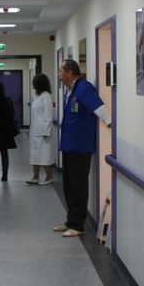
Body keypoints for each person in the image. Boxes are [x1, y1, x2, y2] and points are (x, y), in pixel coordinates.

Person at [54, 59, 111, 238]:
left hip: (80, 146)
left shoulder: (84, 88)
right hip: (69, 144)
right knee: (68, 185)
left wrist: (110, 123)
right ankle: (71, 221)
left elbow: (99, 107)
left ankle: (78, 225)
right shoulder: (71, 90)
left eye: (60, 71)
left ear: (69, 72)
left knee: (78, 186)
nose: (59, 75)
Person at [26, 73, 55, 185]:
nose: (33, 84)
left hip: (43, 131)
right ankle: (35, 177)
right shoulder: (37, 96)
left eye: (34, 82)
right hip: (35, 130)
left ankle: (49, 177)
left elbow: (48, 115)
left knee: (43, 155)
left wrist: (46, 131)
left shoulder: (46, 96)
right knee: (34, 155)